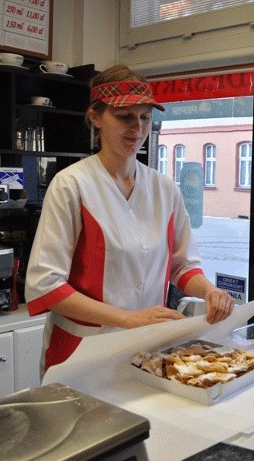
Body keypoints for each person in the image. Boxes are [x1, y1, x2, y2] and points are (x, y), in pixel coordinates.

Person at [25, 64, 236, 377]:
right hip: (80, 356)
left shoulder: (165, 189)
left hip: (146, 352)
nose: (137, 128)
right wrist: (127, 318)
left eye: (145, 117)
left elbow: (182, 265)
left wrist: (209, 291)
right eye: (125, 117)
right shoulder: (72, 185)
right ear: (96, 117)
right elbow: (46, 286)